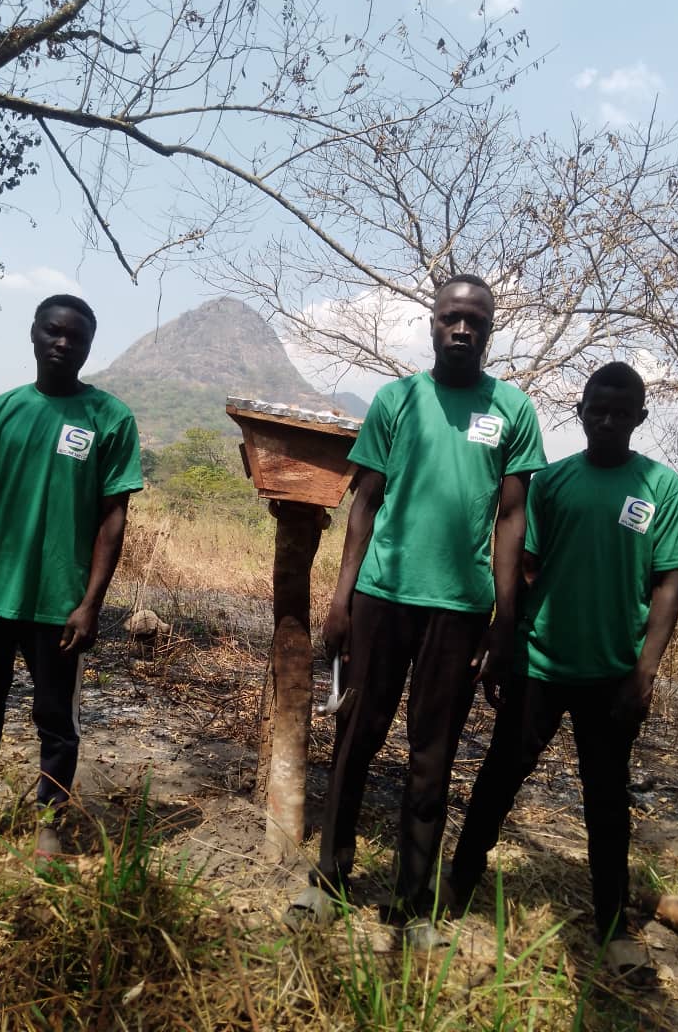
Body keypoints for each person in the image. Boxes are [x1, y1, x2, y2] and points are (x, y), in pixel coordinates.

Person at [286, 274, 547, 945]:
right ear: (432, 323)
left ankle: (412, 904)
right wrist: (342, 599)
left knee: (433, 757)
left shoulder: (513, 410)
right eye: (451, 317)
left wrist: (504, 620)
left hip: (460, 611)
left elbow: (512, 518)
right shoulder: (396, 400)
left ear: (489, 330)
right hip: (383, 598)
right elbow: (365, 504)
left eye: (475, 321)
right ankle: (330, 879)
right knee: (356, 739)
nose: (462, 329)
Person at [449, 362, 678, 981]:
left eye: (622, 412)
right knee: (499, 777)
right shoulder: (553, 482)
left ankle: (612, 926)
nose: (608, 421)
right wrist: (502, 641)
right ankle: (457, 886)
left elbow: (668, 583)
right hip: (540, 663)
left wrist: (645, 674)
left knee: (607, 801)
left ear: (640, 417)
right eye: (598, 409)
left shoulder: (661, 487)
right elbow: (523, 566)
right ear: (581, 411)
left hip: (613, 675)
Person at [0, 294, 143, 861]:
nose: (63, 343)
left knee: (56, 718)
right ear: (33, 333)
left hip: (60, 603)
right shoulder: (0, 412)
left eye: (76, 337)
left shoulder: (110, 418)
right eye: (53, 331)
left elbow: (113, 519)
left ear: (89, 347)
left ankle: (49, 821)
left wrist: (91, 603)